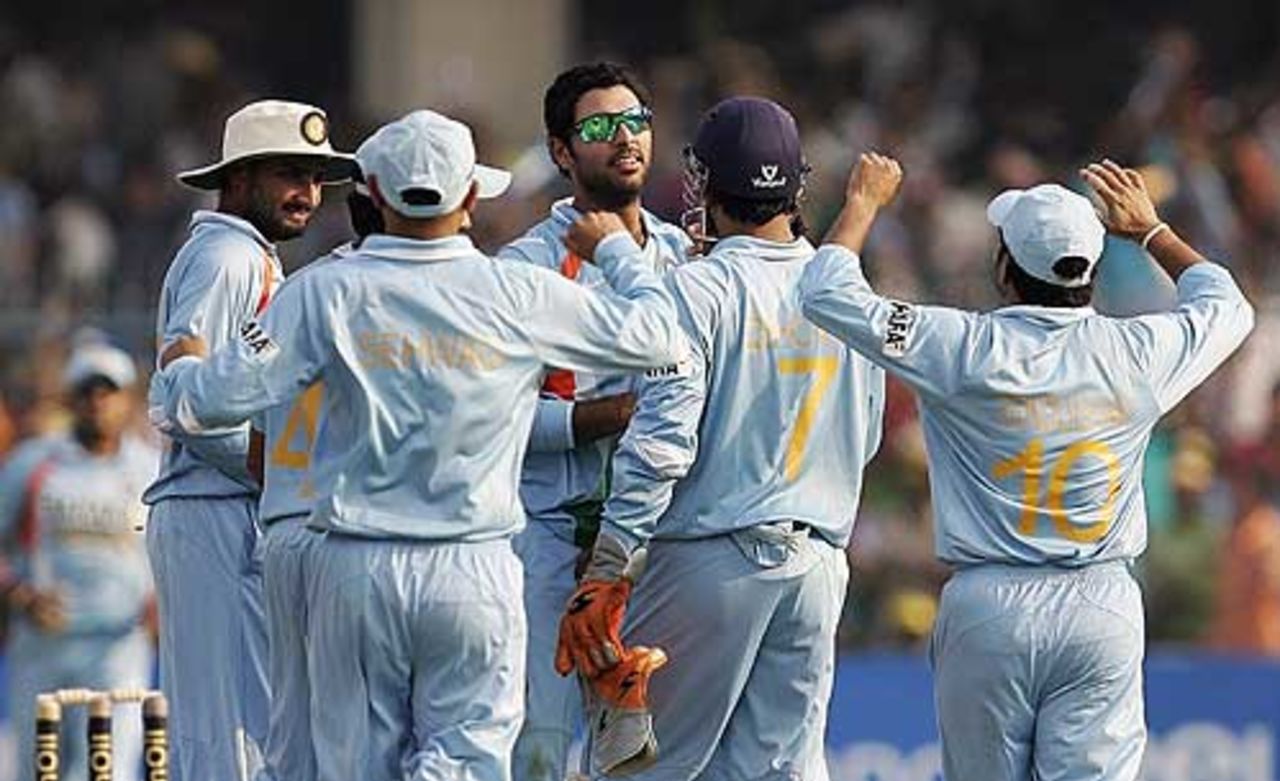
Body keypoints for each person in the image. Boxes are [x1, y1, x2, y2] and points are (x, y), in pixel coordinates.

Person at [148, 108, 687, 781]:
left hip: (356, 566)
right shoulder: (516, 289)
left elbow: (201, 401)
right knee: (466, 761)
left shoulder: (320, 292)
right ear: (468, 197)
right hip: (473, 564)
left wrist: (181, 364)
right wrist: (615, 248)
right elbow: (661, 335)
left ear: (370, 193)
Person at [797, 155, 1254, 780]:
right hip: (1102, 603)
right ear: (1089, 273)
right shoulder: (1139, 353)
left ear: (1004, 269)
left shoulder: (955, 345)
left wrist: (862, 205)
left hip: (988, 607)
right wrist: (1151, 232)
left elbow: (826, 292)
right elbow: (1228, 305)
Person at [556, 96, 885, 779]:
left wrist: (609, 564)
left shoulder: (698, 288)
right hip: (818, 563)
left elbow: (662, 438)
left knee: (640, 769)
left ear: (706, 184)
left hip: (711, 557)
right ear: (796, 185)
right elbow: (870, 434)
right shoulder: (846, 288)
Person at [142, 98, 357, 781]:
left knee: (251, 725)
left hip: (231, 506)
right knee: (225, 731)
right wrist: (279, 473)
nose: (307, 193)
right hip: (212, 506)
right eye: (288, 173)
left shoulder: (246, 256)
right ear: (237, 179)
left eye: (316, 177)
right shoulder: (227, 257)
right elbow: (184, 396)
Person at [498, 61, 689, 781]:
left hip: (653, 539)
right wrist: (609, 417)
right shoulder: (524, 269)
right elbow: (500, 420)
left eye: (635, 121)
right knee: (541, 748)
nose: (624, 139)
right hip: (547, 538)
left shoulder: (683, 257)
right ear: (560, 151)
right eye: (599, 127)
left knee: (649, 759)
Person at [1, 342, 159, 781]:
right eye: (87, 391)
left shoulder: (152, 470)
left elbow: (176, 552)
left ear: (128, 398)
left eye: (108, 391)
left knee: (107, 771)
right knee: (40, 770)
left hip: (119, 644)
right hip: (42, 640)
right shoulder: (33, 463)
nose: (97, 402)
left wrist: (161, 604)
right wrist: (19, 593)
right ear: (70, 397)